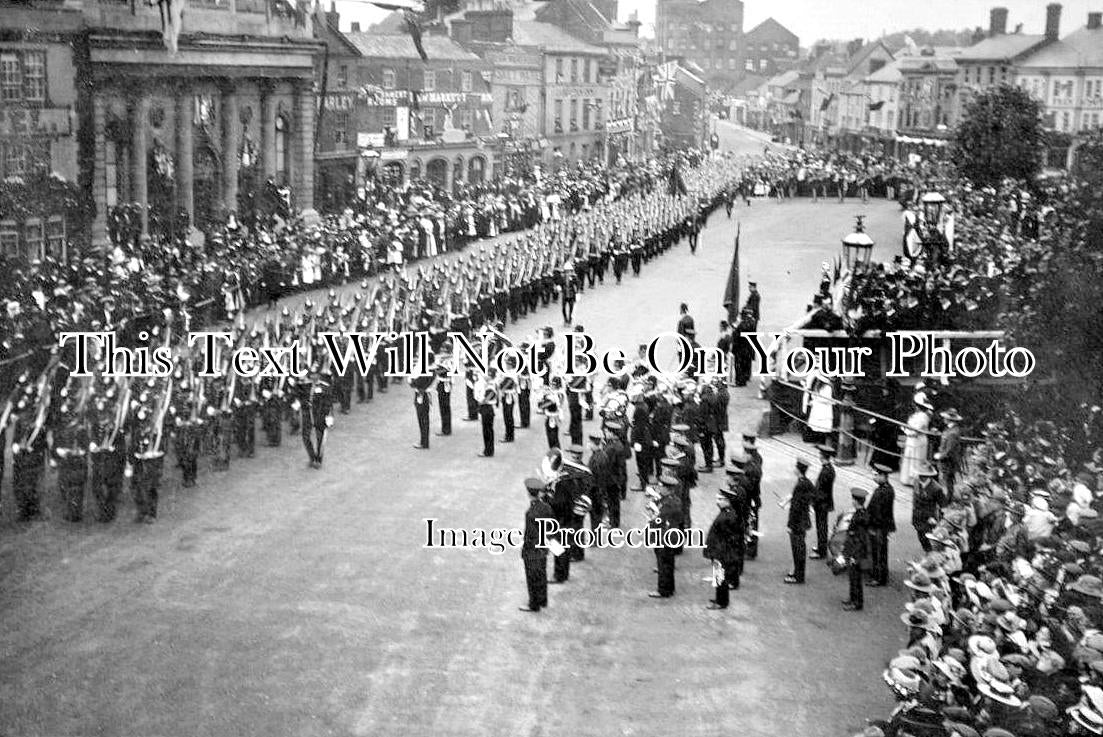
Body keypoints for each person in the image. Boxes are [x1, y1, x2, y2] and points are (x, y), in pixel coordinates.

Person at [704, 484, 745, 609]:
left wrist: (716, 553)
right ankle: (720, 599)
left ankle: (721, 602)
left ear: (727, 501)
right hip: (721, 552)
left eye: (720, 499)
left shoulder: (727, 517)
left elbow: (726, 538)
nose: (718, 501)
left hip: (721, 552)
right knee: (719, 577)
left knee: (720, 577)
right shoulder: (728, 513)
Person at [520, 477, 555, 613]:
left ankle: (533, 604)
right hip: (543, 548)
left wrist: (525, 550)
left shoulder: (531, 513)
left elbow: (530, 534)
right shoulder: (546, 507)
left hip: (533, 550)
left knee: (532, 577)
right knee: (541, 574)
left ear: (529, 493)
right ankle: (542, 600)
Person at [648, 475, 683, 598]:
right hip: (670, 536)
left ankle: (663, 590)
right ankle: (669, 587)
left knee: (663, 564)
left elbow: (658, 519)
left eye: (661, 486)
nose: (659, 488)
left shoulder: (667, 504)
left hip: (663, 537)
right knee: (668, 563)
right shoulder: (673, 500)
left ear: (667, 489)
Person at [783, 458, 814, 584]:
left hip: (797, 522)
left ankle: (798, 575)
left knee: (797, 549)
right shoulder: (807, 482)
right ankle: (797, 572)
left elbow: (795, 508)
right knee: (799, 548)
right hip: (803, 520)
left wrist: (790, 524)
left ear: (798, 469)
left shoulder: (800, 485)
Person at [867, 463, 896, 586]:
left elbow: (877, 512)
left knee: (878, 552)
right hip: (884, 526)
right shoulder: (888, 489)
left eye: (877, 475)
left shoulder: (882, 492)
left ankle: (879, 577)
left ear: (884, 476)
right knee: (881, 551)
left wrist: (871, 526)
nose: (875, 477)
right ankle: (880, 575)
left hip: (879, 526)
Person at [841, 487, 869, 611]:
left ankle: (857, 602)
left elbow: (861, 539)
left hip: (855, 552)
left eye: (853, 499)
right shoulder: (860, 514)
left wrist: (854, 556)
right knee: (852, 577)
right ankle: (852, 598)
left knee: (856, 578)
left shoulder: (861, 517)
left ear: (856, 501)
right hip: (852, 549)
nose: (852, 501)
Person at [810, 444, 836, 559]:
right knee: (822, 526)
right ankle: (821, 547)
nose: (819, 456)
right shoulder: (829, 469)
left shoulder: (826, 471)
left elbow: (821, 490)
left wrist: (813, 500)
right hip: (824, 502)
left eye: (820, 454)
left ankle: (821, 551)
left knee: (821, 527)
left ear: (823, 456)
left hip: (822, 503)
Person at [911, 464, 944, 553]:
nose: (921, 477)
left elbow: (942, 506)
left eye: (924, 476)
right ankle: (928, 553)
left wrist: (940, 522)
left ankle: (930, 555)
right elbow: (915, 498)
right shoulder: (916, 481)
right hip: (917, 517)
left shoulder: (936, 489)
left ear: (929, 476)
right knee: (921, 537)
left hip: (929, 519)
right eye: (920, 475)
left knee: (928, 539)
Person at [934, 408, 963, 500]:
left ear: (950, 419)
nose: (944, 419)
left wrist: (940, 456)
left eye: (945, 417)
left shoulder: (953, 433)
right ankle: (947, 498)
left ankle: (948, 499)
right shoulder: (949, 429)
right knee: (946, 480)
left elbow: (949, 450)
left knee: (947, 481)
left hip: (948, 461)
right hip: (946, 460)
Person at [410, 364, 435, 450]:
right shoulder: (432, 371)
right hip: (426, 395)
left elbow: (414, 383)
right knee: (425, 419)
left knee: (422, 419)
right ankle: (425, 441)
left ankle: (424, 442)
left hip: (421, 395)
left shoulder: (425, 373)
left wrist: (412, 380)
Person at [477, 385, 497, 458]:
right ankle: (489, 450)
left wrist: (482, 402)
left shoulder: (490, 385)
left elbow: (491, 394)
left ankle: (488, 451)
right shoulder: (488, 384)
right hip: (487, 408)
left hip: (487, 408)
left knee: (487, 431)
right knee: (488, 430)